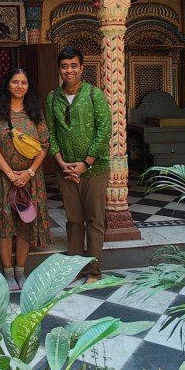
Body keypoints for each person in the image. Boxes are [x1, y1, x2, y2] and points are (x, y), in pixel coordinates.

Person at [0, 67, 51, 291]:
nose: (19, 86)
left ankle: (20, 270)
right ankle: (8, 272)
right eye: (15, 82)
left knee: (26, 219)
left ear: (29, 87)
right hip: (0, 176)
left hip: (30, 178)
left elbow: (44, 144)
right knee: (5, 221)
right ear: (7, 85)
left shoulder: (35, 112)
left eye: (23, 82)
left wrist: (30, 172)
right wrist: (9, 173)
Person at [45, 46, 111, 281]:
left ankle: (93, 270)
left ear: (82, 68)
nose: (69, 70)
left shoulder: (94, 95)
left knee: (94, 220)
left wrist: (86, 163)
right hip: (66, 170)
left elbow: (104, 132)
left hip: (94, 170)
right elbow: (50, 132)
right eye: (65, 66)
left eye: (74, 66)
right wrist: (61, 162)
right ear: (59, 69)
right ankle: (73, 268)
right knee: (73, 221)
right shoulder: (53, 98)